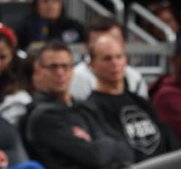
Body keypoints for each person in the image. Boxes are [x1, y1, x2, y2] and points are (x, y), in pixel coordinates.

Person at [22, 40, 135, 169]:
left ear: (72, 70)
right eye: (53, 67)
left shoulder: (84, 107)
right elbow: (94, 156)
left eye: (65, 66)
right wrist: (107, 143)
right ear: (38, 71)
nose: (60, 73)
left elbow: (126, 151)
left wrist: (98, 144)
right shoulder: (42, 115)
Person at [84, 34, 179, 163]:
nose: (115, 63)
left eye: (119, 56)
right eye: (107, 58)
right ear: (91, 65)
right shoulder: (90, 108)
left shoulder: (141, 102)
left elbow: (170, 141)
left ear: (126, 60)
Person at [69, 16, 148, 101]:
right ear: (87, 46)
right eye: (100, 42)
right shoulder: (75, 77)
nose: (109, 46)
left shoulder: (135, 78)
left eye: (114, 40)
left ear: (123, 43)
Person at [17, 0, 85, 50]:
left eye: (55, 1)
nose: (50, 6)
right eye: (45, 1)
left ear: (61, 4)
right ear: (36, 4)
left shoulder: (74, 26)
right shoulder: (26, 28)